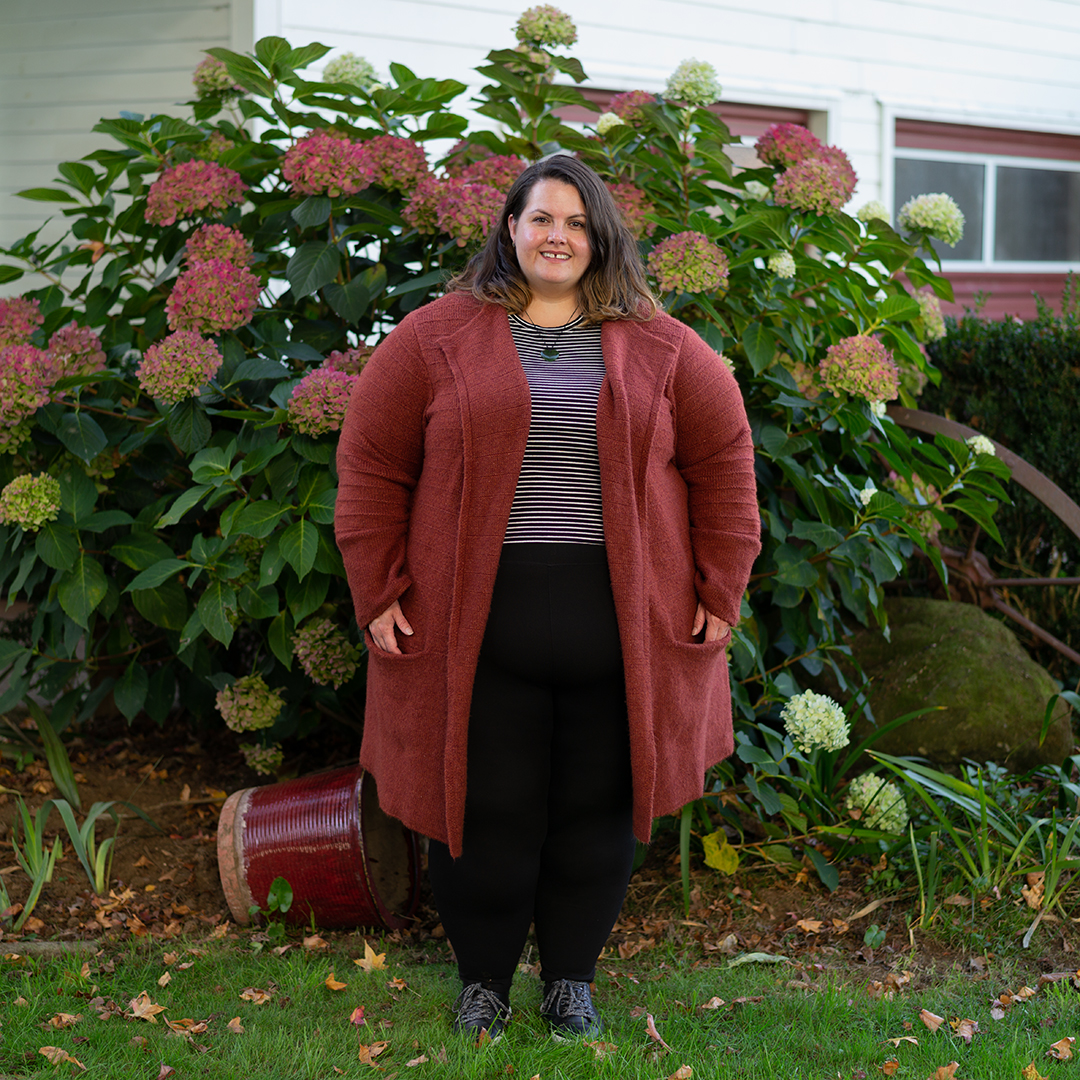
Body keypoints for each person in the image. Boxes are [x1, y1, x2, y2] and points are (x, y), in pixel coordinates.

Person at [335, 154, 760, 1039]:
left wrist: (723, 587)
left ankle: (571, 981)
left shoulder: (665, 344)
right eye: (539, 220)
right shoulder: (436, 337)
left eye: (574, 222)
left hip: (622, 625)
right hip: (476, 625)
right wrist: (377, 588)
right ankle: (483, 983)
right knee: (480, 808)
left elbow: (724, 465)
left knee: (596, 810)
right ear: (511, 232)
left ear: (599, 237)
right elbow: (372, 464)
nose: (556, 236)